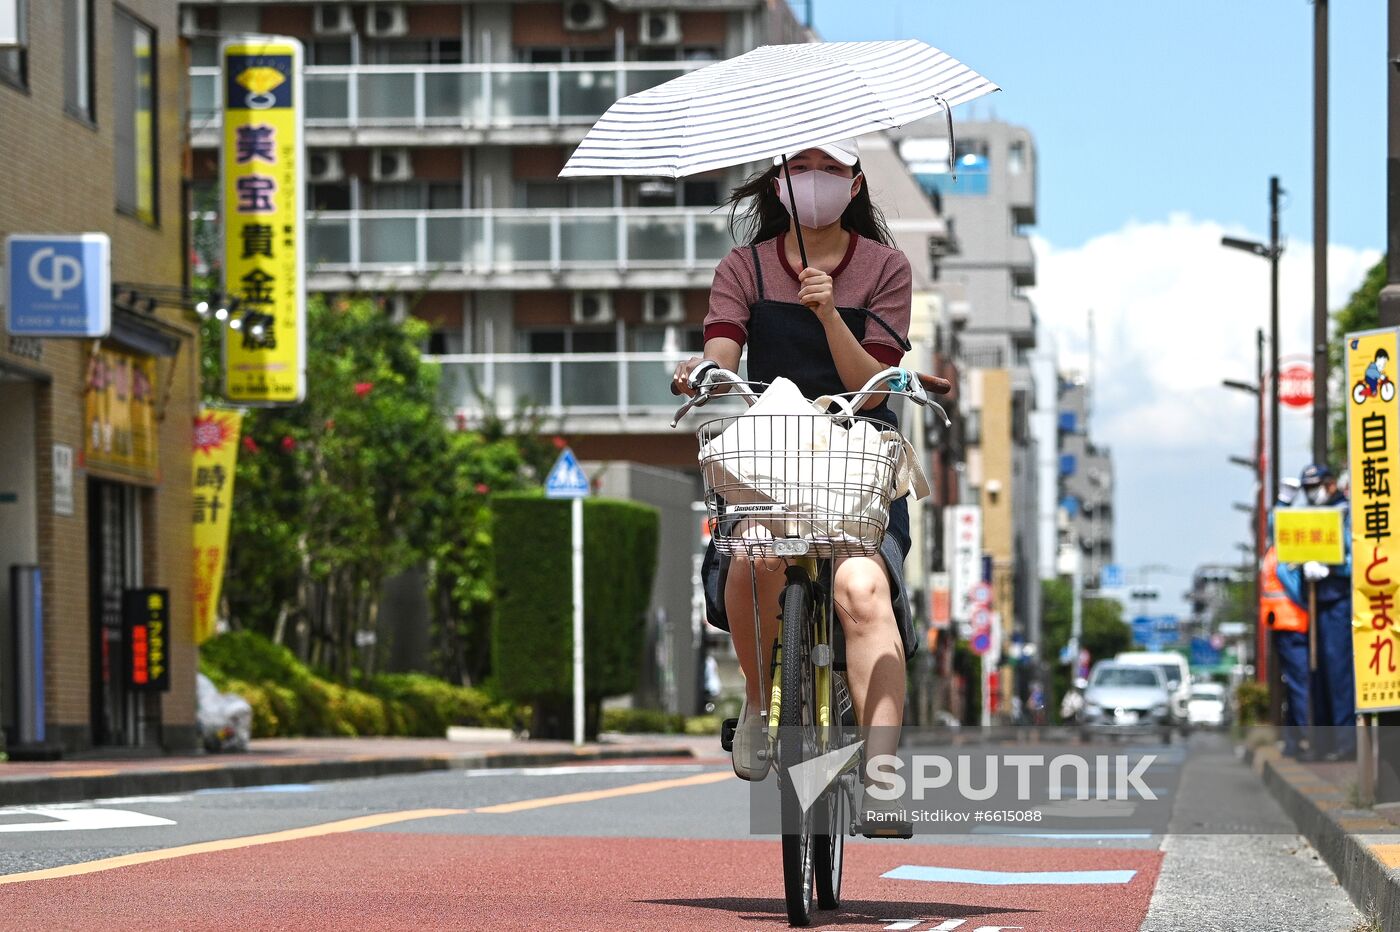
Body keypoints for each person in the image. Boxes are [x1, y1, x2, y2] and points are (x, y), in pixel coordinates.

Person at [674, 140, 917, 809]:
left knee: (863, 588)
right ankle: (759, 703)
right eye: (800, 169)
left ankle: (884, 778)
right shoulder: (744, 266)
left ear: (856, 183)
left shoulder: (886, 269)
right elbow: (721, 349)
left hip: (857, 459)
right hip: (773, 452)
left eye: (830, 170)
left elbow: (869, 389)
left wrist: (828, 311)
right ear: (779, 183)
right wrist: (700, 370)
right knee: (753, 555)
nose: (814, 182)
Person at [1279, 464, 1356, 760]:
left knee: (1339, 675)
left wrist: (1333, 567)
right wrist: (1283, 503)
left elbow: (1358, 557)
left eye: (1316, 486)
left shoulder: (1345, 513)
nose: (1312, 493)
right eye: (1307, 488)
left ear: (1331, 484)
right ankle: (1324, 744)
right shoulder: (1308, 517)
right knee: (1318, 675)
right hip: (1316, 602)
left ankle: (1345, 744)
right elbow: (1283, 539)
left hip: (1338, 601)